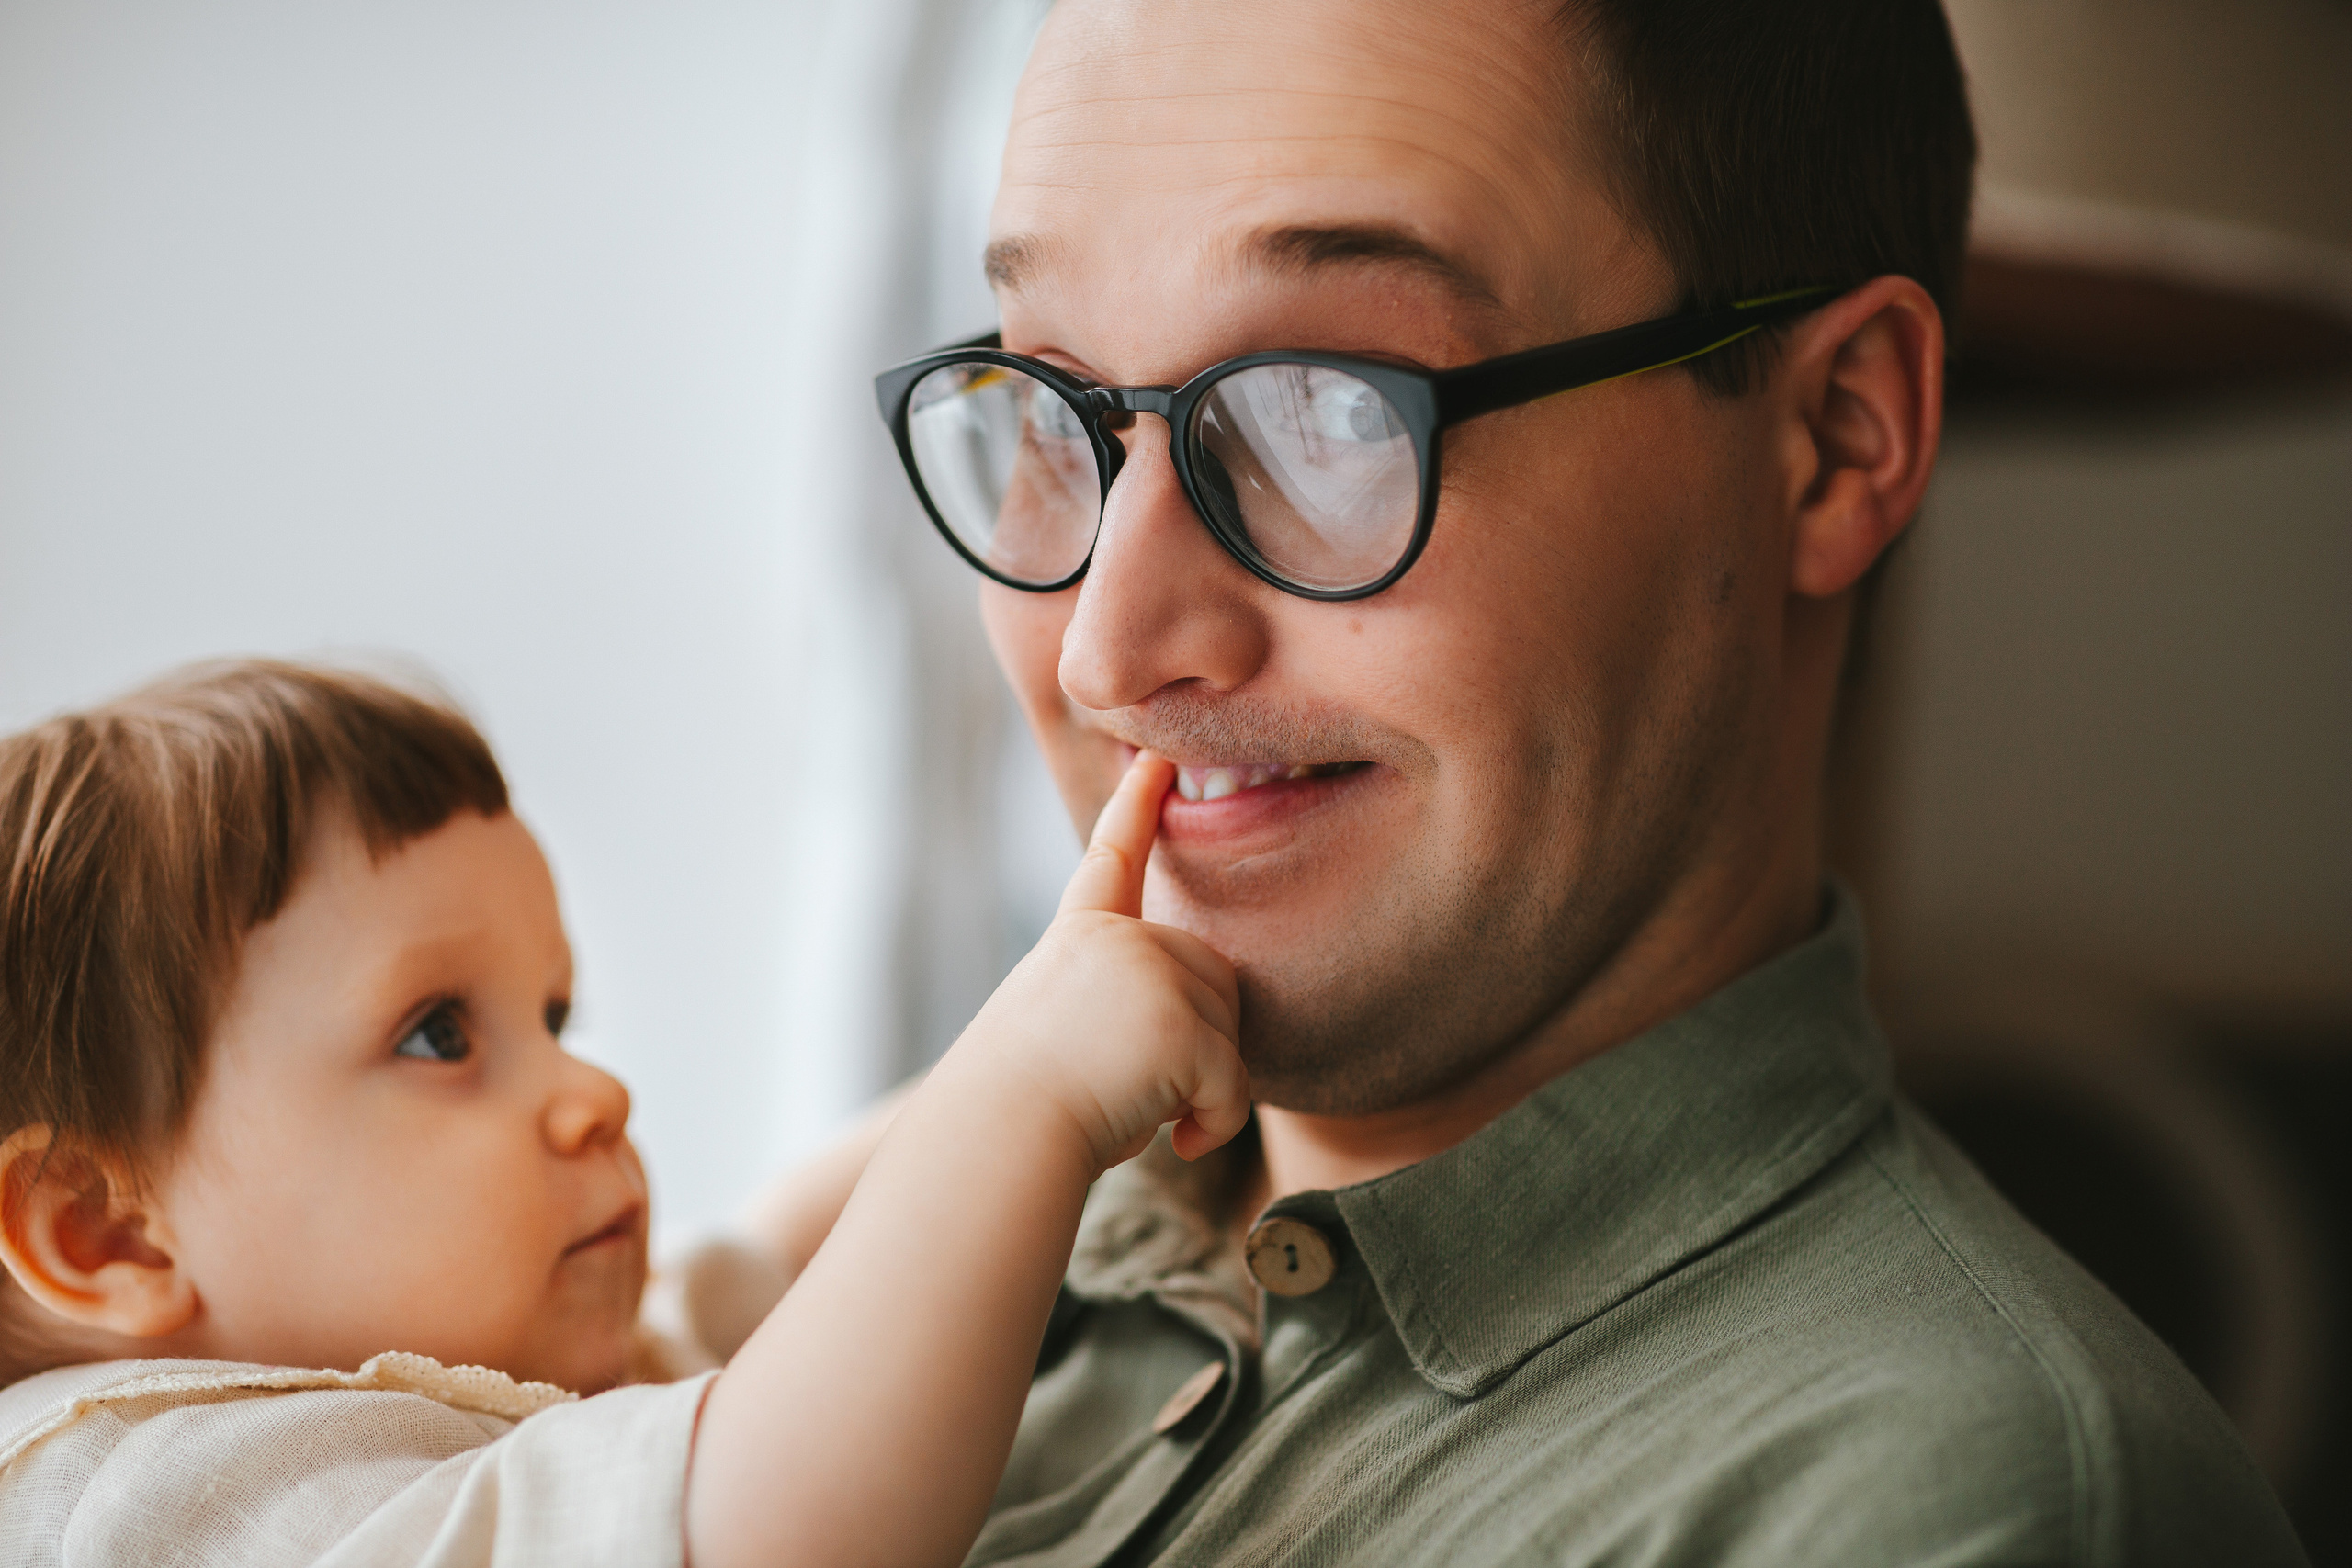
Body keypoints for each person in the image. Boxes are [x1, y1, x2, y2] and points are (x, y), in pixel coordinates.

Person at [869, 0, 2310, 1561]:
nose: (1107, 649)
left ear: (1834, 435)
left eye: (1328, 405)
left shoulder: (1952, 1511)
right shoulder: (915, 1293)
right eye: (1051, 405)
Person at [0, 660, 1247, 1567]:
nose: (592, 1093)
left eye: (553, 1017)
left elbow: (765, 1255)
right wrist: (1029, 1093)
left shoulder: (493, 1365)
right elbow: (767, 1528)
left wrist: (1040, 1021)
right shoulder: (151, 1503)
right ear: (112, 1234)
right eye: (441, 1033)